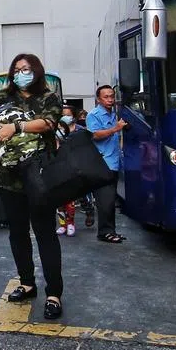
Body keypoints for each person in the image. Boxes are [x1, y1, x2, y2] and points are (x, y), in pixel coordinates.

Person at [0, 54, 64, 319]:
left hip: (39, 176)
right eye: (17, 69)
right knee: (18, 233)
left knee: (45, 233)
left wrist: (16, 127)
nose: (21, 73)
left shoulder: (49, 97)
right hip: (9, 177)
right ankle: (27, 283)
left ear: (37, 71)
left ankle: (54, 293)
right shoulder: (4, 96)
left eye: (26, 69)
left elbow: (48, 123)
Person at [87, 85, 128, 243]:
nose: (110, 99)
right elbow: (95, 135)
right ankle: (105, 232)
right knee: (105, 200)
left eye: (112, 96)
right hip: (102, 163)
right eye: (106, 97)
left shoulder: (114, 114)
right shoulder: (94, 115)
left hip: (114, 163)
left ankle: (110, 231)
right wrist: (115, 128)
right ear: (98, 99)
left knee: (110, 200)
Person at [55, 104, 95, 236]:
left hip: (77, 167)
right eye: (63, 115)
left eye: (68, 115)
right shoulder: (56, 130)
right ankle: (63, 224)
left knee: (79, 195)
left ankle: (83, 215)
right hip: (60, 167)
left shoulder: (80, 130)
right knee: (60, 199)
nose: (65, 117)